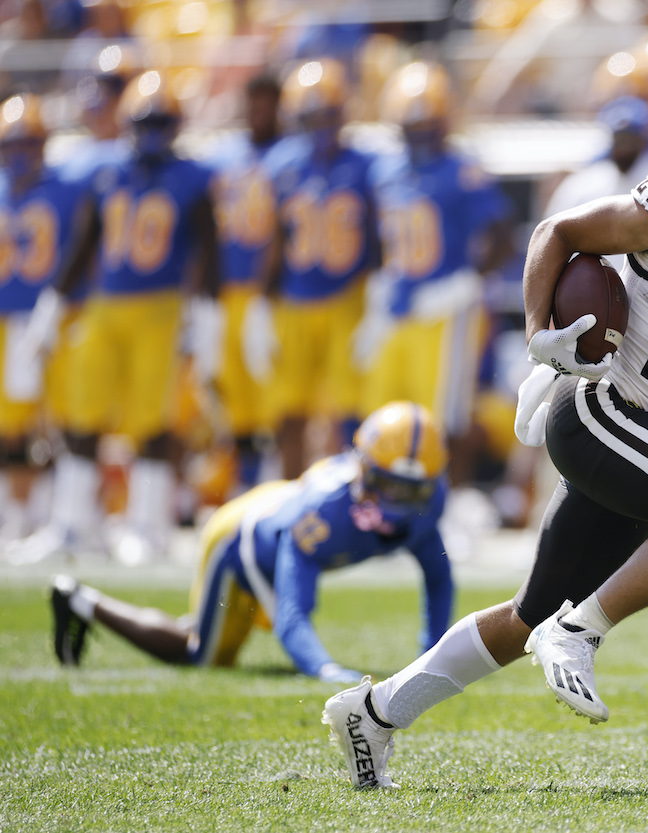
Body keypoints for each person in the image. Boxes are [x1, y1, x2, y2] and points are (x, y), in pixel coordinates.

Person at [320, 91, 648, 788]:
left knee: (529, 615)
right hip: (601, 405)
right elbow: (558, 231)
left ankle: (374, 711)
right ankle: (580, 631)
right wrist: (538, 334)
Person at [48, 401, 455, 683]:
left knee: (215, 628)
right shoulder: (323, 516)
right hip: (242, 538)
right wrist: (327, 670)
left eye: (411, 492)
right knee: (204, 655)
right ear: (363, 469)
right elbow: (292, 619)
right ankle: (80, 599)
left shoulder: (429, 504)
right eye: (386, 485)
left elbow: (438, 574)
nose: (396, 505)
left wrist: (432, 657)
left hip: (277, 509)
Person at [8, 69, 222, 566]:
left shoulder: (192, 177)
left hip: (160, 306)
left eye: (160, 122)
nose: (151, 133)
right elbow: (84, 245)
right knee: (82, 413)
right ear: (127, 122)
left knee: (152, 421)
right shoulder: (105, 170)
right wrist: (51, 307)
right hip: (104, 304)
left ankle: (149, 527)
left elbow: (209, 256)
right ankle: (70, 525)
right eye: (144, 122)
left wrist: (208, 322)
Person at [355, 60, 513, 486]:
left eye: (427, 122)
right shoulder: (385, 169)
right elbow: (378, 239)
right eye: (412, 123)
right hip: (399, 303)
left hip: (449, 307)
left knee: (446, 411)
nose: (419, 131)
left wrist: (465, 283)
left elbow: (502, 235)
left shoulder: (461, 168)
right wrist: (378, 290)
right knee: (383, 406)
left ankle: (453, 500)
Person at [245, 58, 380, 479]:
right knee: (290, 410)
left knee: (350, 409)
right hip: (293, 300)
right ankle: (289, 489)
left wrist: (379, 298)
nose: (320, 126)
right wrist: (260, 306)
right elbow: (274, 240)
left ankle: (352, 492)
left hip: (348, 298)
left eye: (328, 114)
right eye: (311, 116)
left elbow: (377, 239)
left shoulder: (366, 165)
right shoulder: (281, 164)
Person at [0, 95, 84, 546]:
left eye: (27, 143)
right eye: (10, 145)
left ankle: (54, 515)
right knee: (9, 425)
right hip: (5, 318)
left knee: (57, 419)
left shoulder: (66, 187)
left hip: (53, 318)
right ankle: (15, 514)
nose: (18, 154)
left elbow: (83, 250)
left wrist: (59, 307)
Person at [206, 72, 285, 496]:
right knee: (234, 396)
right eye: (252, 102)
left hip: (272, 296)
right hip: (229, 292)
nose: (258, 112)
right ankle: (244, 483)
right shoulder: (224, 156)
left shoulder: (291, 154)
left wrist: (267, 298)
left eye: (267, 102)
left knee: (272, 395)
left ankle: (272, 483)